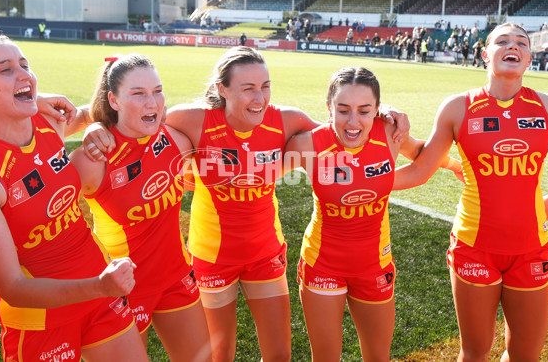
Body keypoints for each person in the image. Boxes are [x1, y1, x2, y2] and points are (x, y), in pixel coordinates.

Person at [83, 46, 410, 361]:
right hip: (211, 256)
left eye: (265, 87)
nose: (260, 97)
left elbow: (345, 131)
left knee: (280, 354)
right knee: (219, 355)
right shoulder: (193, 120)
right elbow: (134, 122)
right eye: (248, 88)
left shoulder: (286, 121)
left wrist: (380, 114)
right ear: (222, 89)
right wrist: (96, 125)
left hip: (264, 254)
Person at [0, 26, 148, 361]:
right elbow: (13, 287)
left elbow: (97, 114)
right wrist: (99, 285)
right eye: (6, 70)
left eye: (24, 65)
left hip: (100, 294)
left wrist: (93, 128)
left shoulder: (47, 120)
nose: (24, 75)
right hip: (41, 319)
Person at [392, 23, 548, 362]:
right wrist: (362, 181)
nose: (512, 46)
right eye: (502, 41)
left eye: (521, 43)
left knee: (525, 356)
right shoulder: (458, 107)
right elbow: (423, 168)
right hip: (474, 248)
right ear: (485, 54)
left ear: (529, 57)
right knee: (474, 353)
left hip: (531, 251)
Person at [285, 66, 462, 361]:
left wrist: (454, 165)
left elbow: (421, 158)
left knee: (378, 357)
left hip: (375, 266)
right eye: (343, 110)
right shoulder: (307, 145)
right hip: (322, 264)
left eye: (364, 111)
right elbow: (262, 171)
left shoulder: (391, 131)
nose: (353, 121)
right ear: (328, 109)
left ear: (378, 110)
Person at [69, 54, 212, 361]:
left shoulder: (176, 138)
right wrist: (91, 124)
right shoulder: (93, 159)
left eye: (157, 91)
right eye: (138, 94)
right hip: (122, 289)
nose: (153, 103)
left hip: (176, 278)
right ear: (114, 100)